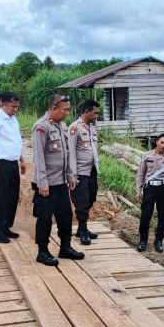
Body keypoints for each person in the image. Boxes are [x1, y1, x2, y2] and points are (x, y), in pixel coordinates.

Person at [31, 94, 85, 266]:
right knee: (45, 218)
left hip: (61, 182)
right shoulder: (41, 127)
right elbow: (38, 158)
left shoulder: (61, 125)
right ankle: (42, 252)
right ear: (54, 108)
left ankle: (65, 248)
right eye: (65, 110)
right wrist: (42, 183)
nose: (67, 113)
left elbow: (67, 153)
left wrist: (70, 175)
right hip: (46, 184)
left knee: (65, 216)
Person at [0, 92, 26, 243]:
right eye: (13, 106)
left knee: (12, 196)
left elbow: (16, 141)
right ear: (4, 104)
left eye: (17, 107)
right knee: (0, 197)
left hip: (12, 163)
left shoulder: (14, 120)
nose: (16, 109)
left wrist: (22, 160)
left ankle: (6, 227)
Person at [135, 133, 164, 253]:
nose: (163, 145)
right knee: (145, 215)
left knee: (162, 216)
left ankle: (158, 241)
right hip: (149, 188)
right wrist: (138, 190)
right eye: (162, 142)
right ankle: (143, 240)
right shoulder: (146, 156)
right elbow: (141, 174)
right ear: (157, 142)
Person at [69, 100, 100, 245]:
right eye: (95, 113)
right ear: (86, 112)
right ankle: (82, 231)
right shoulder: (74, 127)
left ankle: (82, 229)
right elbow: (70, 152)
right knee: (81, 201)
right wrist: (72, 174)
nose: (97, 116)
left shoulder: (92, 128)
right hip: (80, 172)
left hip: (92, 170)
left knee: (91, 198)